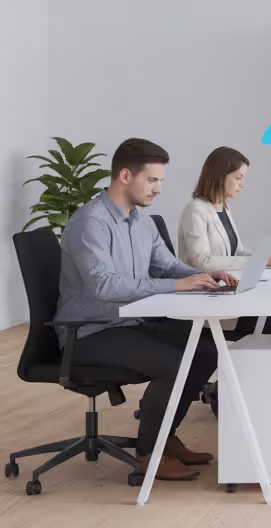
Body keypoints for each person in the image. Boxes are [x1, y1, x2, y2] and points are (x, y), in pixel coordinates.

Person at [54, 138, 233, 481]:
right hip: (90, 331)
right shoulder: (90, 222)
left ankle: (165, 438)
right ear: (125, 175)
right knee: (173, 363)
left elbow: (167, 267)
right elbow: (104, 287)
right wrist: (179, 285)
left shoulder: (141, 221)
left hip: (127, 322)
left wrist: (203, 275)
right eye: (152, 180)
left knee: (206, 350)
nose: (158, 189)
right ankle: (149, 453)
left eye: (160, 181)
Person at [177, 146, 271, 341]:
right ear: (220, 176)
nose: (242, 184)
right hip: (205, 292)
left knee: (269, 306)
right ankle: (246, 353)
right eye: (238, 178)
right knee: (264, 308)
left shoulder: (222, 206)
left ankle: (253, 352)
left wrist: (261, 257)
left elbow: (237, 251)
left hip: (226, 285)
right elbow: (201, 261)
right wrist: (257, 261)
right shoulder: (195, 210)